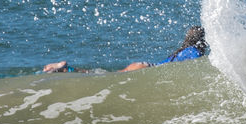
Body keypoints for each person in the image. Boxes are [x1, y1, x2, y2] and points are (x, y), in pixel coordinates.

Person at [43, 26, 208, 74]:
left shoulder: (182, 51)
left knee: (102, 76)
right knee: (104, 77)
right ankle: (66, 69)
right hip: (147, 69)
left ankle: (67, 69)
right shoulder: (195, 53)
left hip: (144, 65)